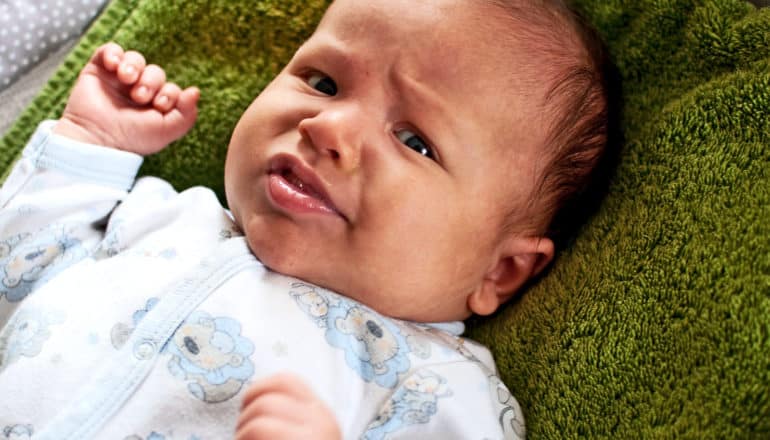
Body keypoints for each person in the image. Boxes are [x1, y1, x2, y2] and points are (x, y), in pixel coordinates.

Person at [0, 0, 614, 438]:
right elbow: (18, 273)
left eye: (415, 141)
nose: (328, 128)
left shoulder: (435, 389)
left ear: (500, 272)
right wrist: (90, 142)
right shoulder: (159, 219)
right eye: (322, 82)